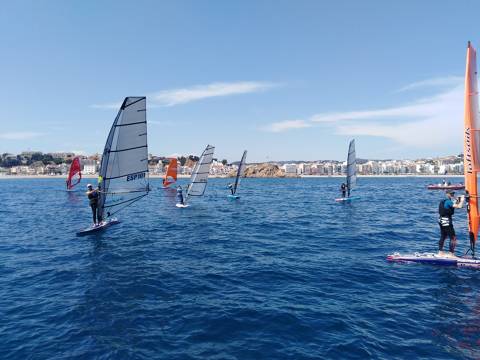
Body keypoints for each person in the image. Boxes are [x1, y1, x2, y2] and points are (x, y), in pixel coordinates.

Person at [438, 190, 465, 255]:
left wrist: (458, 199)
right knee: (453, 238)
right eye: (451, 193)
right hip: (446, 221)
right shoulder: (448, 201)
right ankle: (451, 254)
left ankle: (440, 252)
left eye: (453, 193)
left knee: (443, 236)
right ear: (447, 194)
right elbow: (459, 206)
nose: (452, 194)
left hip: (441, 220)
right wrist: (462, 200)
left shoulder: (444, 201)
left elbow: (454, 205)